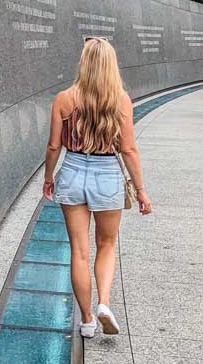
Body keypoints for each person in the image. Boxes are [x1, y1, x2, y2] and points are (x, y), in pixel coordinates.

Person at [43, 38, 152, 339]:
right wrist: (141, 190)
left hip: (73, 170)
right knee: (106, 245)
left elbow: (54, 146)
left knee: (79, 251)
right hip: (106, 175)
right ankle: (104, 303)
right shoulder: (121, 100)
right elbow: (128, 150)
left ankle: (88, 320)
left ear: (84, 63)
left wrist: (49, 178)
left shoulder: (64, 99)